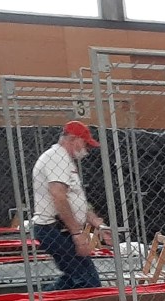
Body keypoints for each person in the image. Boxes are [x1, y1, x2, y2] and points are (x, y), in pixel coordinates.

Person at [31, 121, 112, 291]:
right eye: (85, 144)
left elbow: (76, 200)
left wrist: (98, 224)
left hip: (59, 229)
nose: (86, 150)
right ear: (73, 139)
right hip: (54, 228)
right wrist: (77, 233)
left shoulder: (64, 160)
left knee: (76, 278)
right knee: (87, 280)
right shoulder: (56, 158)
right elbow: (59, 196)